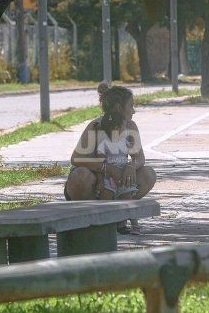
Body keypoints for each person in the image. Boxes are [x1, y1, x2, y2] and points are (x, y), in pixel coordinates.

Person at [64, 83, 157, 235]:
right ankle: (93, 218)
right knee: (80, 176)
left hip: (118, 178)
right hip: (97, 181)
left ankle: (120, 216)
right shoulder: (96, 126)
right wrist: (107, 168)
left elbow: (140, 158)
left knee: (148, 174)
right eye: (131, 106)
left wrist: (131, 166)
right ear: (119, 107)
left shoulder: (130, 127)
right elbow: (76, 159)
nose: (134, 111)